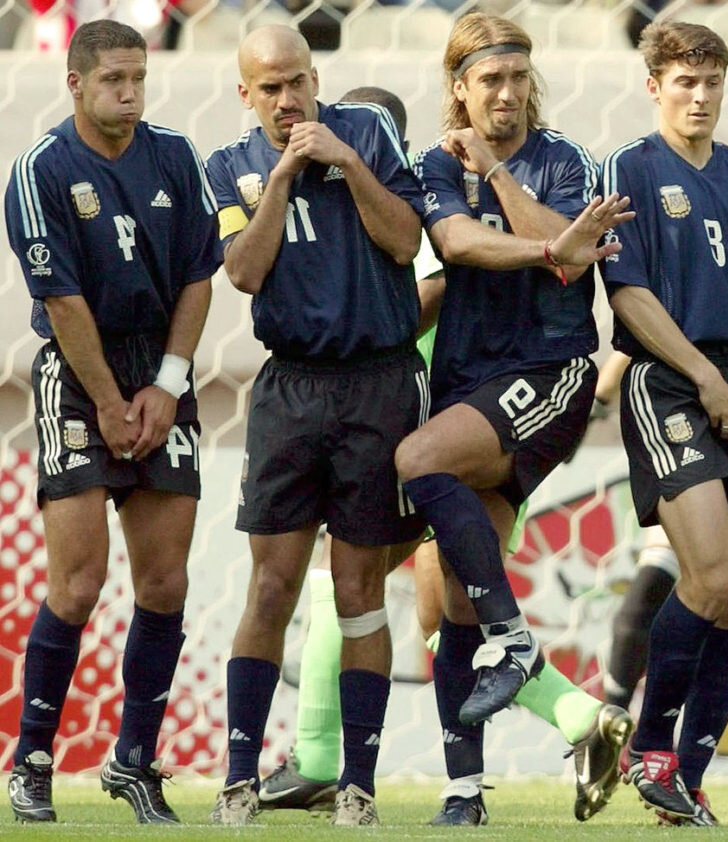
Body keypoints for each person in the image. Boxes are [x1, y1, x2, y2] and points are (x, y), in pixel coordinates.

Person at [396, 11, 636, 826]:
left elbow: (567, 257)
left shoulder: (564, 158)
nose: (506, 92)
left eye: (517, 78)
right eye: (490, 79)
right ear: (459, 87)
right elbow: (456, 243)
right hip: (469, 386)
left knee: (417, 461)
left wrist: (500, 174)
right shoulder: (433, 164)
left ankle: (519, 643)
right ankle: (464, 793)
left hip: (549, 373)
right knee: (455, 605)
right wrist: (550, 246)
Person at [203, 27, 430, 827]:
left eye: (297, 81)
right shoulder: (229, 166)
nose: (288, 99)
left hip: (379, 384)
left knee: (359, 590)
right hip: (290, 388)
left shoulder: (368, 131)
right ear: (246, 94)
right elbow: (243, 272)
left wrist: (350, 164)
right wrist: (282, 179)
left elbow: (406, 240)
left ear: (315, 78)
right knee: (271, 586)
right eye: (270, 87)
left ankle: (357, 786)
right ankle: (239, 780)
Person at [3, 20, 218, 825]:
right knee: (79, 583)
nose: (130, 94)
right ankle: (31, 762)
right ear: (75, 83)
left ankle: (134, 760)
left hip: (162, 369)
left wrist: (167, 383)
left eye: (138, 79)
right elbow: (61, 301)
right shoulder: (42, 170)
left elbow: (200, 275)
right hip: (76, 376)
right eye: (113, 81)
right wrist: (105, 400)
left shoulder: (176, 155)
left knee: (165, 583)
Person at [601, 21, 728, 826]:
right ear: (654, 86)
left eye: (711, 81)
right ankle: (649, 746)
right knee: (714, 575)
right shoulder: (631, 168)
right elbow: (627, 294)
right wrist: (707, 378)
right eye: (684, 82)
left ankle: (685, 781)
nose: (699, 96)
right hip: (671, 381)